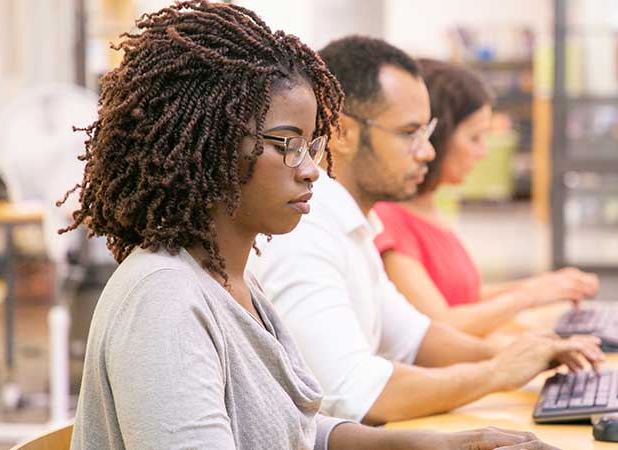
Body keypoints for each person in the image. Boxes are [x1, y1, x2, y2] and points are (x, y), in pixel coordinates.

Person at [62, 3, 561, 450]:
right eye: (287, 143)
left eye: (311, 145)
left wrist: (434, 446)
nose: (310, 169)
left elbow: (299, 430)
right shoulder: (164, 300)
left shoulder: (236, 282)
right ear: (213, 146)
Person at [248, 35, 604, 425]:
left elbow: (415, 337)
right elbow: (357, 394)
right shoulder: (306, 233)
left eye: (427, 133)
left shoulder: (352, 224)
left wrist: (530, 353)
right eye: (409, 133)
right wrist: (497, 373)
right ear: (343, 132)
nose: (427, 152)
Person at [373, 59, 600, 337]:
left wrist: (544, 287)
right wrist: (529, 296)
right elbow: (440, 326)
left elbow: (463, 298)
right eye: (475, 138)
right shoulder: (388, 220)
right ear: (438, 138)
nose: (483, 152)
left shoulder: (428, 209)